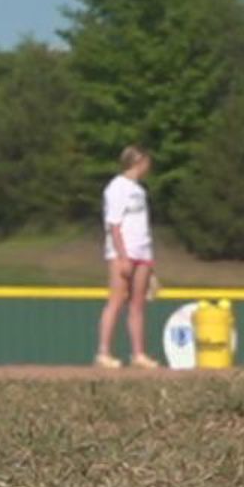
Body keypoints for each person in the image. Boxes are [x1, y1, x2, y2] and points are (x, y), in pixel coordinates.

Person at [94, 146, 159, 369]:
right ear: (138, 162)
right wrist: (122, 256)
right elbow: (114, 224)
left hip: (142, 251)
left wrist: (151, 267)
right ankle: (103, 352)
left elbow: (141, 225)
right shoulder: (117, 187)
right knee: (117, 299)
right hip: (124, 251)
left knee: (138, 303)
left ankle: (138, 353)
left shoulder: (139, 190)